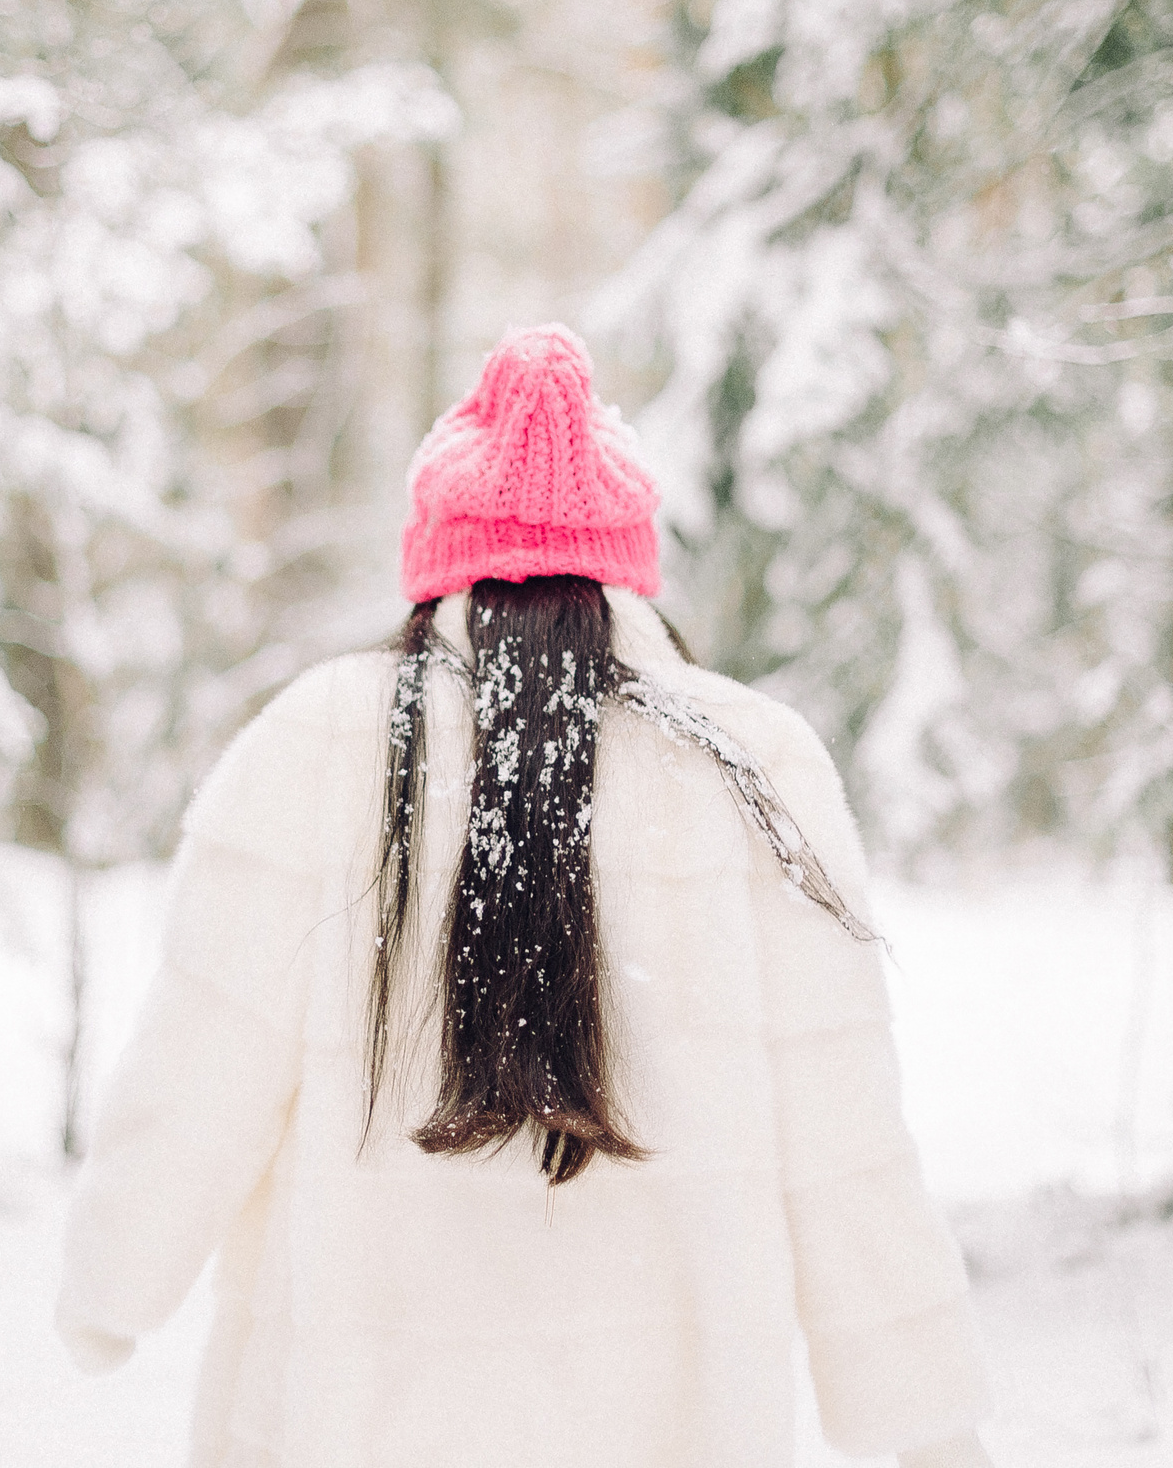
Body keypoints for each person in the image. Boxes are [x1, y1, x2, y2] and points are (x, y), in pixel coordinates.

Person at [56, 324, 992, 1468]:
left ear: (436, 556)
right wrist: (917, 1408)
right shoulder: (755, 759)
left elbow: (201, 1060)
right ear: (623, 560)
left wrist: (113, 1286)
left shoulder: (317, 736)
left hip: (356, 1414)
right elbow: (842, 1128)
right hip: (673, 1419)